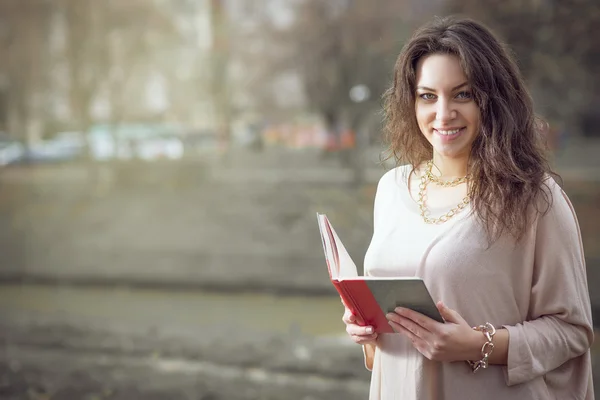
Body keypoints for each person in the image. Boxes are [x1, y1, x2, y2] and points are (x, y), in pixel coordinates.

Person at [341, 16, 595, 400]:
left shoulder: (534, 197)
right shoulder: (391, 189)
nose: (443, 114)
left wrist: (476, 345)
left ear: (493, 101)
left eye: (463, 94)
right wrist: (367, 332)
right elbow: (383, 356)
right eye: (428, 96)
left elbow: (572, 332)